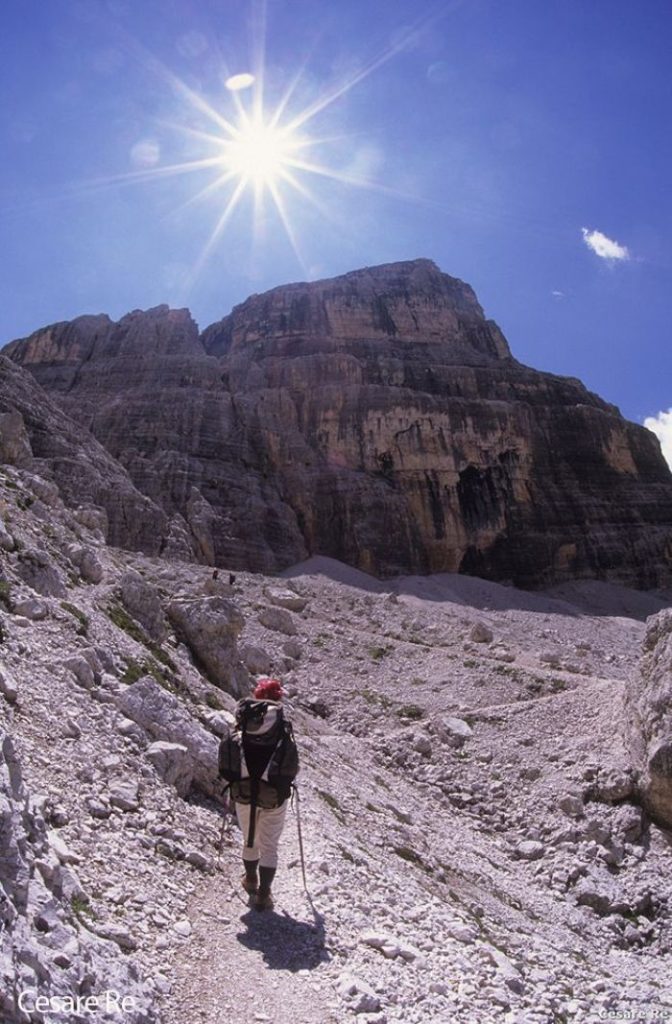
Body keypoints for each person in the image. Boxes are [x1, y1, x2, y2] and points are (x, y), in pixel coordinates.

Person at [221, 678, 299, 911]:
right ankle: (264, 895)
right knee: (270, 845)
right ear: (277, 697)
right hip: (274, 794)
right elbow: (292, 764)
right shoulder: (282, 725)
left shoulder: (244, 720)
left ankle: (250, 879)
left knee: (249, 839)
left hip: (243, 790)